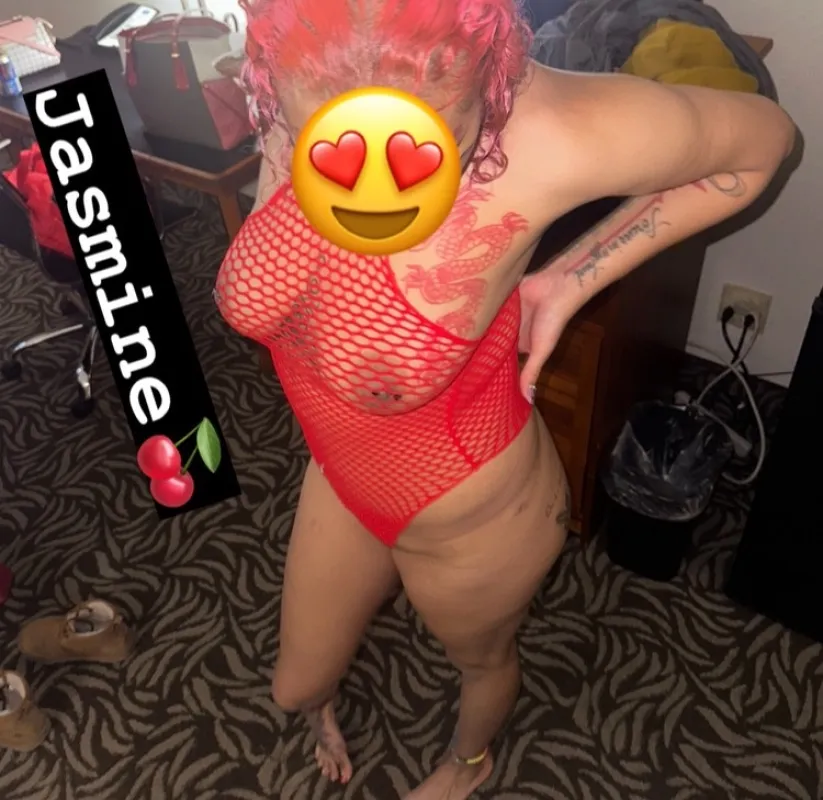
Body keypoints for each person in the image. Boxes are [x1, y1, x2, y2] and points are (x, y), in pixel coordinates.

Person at [215, 1, 796, 797]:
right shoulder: (295, 69)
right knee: (295, 689)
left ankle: (469, 763)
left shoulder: (545, 128)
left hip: (472, 515)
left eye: (426, 147)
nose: (373, 186)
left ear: (484, 84)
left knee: (480, 662)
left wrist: (573, 277)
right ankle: (329, 706)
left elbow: (764, 144)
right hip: (342, 477)